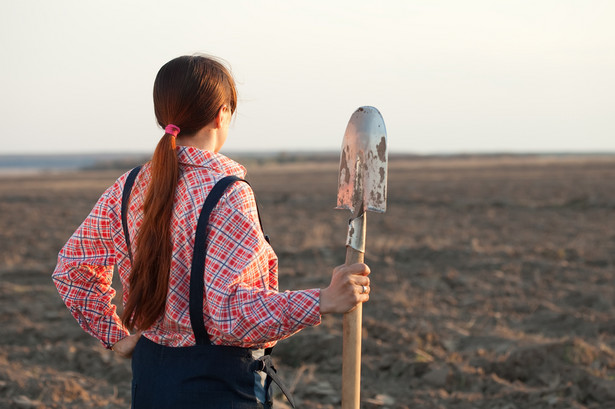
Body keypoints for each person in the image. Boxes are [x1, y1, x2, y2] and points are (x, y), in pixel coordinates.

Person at [51, 54, 371, 409]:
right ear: (222, 114)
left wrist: (116, 337)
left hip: (150, 382)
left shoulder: (127, 187)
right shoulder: (228, 193)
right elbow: (229, 314)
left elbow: (72, 269)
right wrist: (323, 300)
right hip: (217, 389)